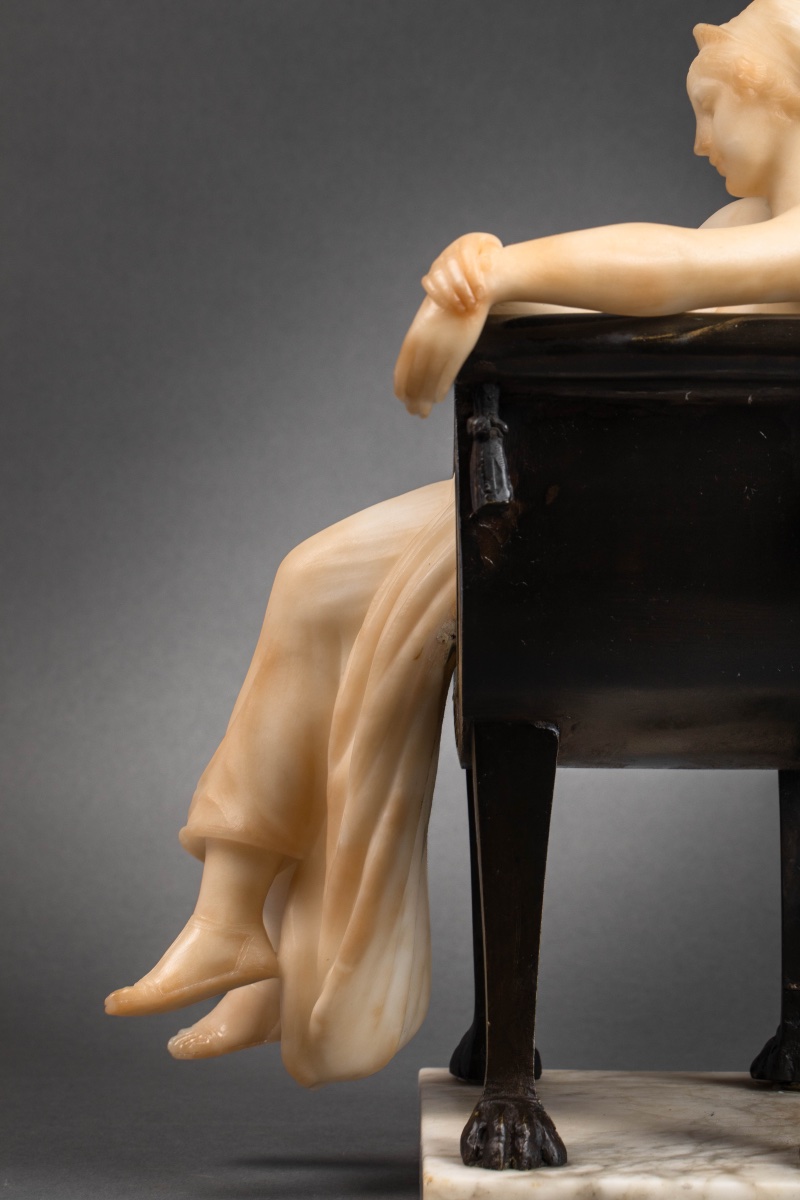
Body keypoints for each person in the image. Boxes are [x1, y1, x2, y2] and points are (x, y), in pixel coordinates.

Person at [106, 0, 800, 1086]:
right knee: (310, 574)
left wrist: (503, 268)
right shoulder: (737, 227)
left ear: (781, 97)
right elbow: (623, 300)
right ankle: (234, 916)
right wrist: (477, 284)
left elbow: (668, 271)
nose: (700, 140)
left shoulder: (775, 242)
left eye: (710, 109)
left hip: (681, 547)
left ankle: (290, 956)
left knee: (352, 590)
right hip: (622, 505)